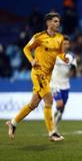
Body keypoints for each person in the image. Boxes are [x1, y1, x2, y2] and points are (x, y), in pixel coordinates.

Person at [6, 12, 65, 142]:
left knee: (33, 104)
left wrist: (64, 59)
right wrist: (32, 60)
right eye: (55, 21)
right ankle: (52, 133)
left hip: (48, 76)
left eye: (58, 21)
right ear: (48, 23)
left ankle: (13, 122)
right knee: (49, 101)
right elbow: (26, 49)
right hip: (38, 73)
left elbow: (59, 55)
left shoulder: (60, 38)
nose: (57, 23)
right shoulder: (39, 37)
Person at [50, 35, 77, 133]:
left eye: (67, 44)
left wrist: (72, 72)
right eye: (64, 43)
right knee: (59, 104)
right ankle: (52, 124)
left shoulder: (71, 56)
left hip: (65, 85)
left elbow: (73, 71)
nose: (66, 45)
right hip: (55, 84)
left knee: (62, 109)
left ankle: (55, 126)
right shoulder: (55, 55)